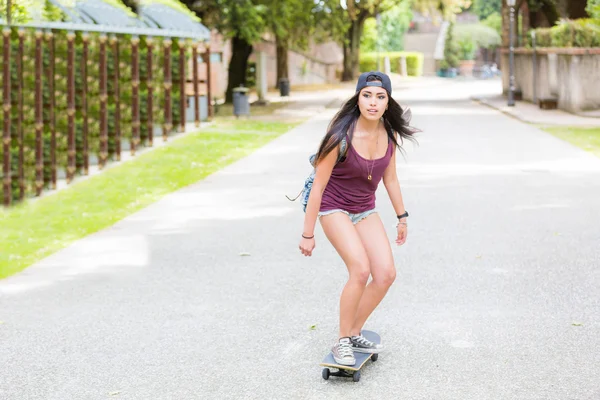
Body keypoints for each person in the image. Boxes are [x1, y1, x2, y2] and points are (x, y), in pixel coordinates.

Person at [298, 71, 417, 366]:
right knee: (360, 269)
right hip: (332, 206)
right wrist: (307, 233)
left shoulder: (389, 136)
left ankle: (352, 332)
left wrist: (401, 217)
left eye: (380, 97)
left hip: (364, 208)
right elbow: (319, 187)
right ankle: (341, 341)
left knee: (386, 273)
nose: (373, 103)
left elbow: (390, 179)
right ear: (358, 98)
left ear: (388, 102)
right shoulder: (339, 138)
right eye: (367, 96)